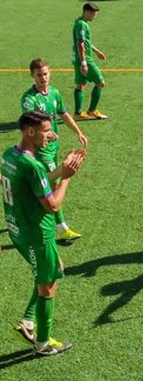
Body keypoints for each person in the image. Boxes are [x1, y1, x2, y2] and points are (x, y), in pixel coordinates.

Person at [2, 111, 87, 356]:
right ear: (31, 131)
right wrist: (67, 178)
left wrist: (60, 170)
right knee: (48, 285)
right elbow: (53, 205)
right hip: (37, 233)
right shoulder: (34, 165)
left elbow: (32, 184)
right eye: (46, 130)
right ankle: (42, 343)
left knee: (52, 269)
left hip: (16, 229)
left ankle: (28, 322)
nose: (51, 134)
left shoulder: (10, 155)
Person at [21, 58, 88, 242]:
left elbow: (64, 114)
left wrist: (78, 132)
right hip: (41, 150)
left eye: (45, 74)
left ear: (50, 73)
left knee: (46, 183)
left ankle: (30, 209)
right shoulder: (29, 99)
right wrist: (46, 133)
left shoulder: (55, 94)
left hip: (53, 148)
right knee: (54, 185)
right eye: (39, 75)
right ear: (32, 76)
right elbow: (30, 124)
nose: (43, 78)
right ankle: (61, 227)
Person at [72, 2, 109, 120]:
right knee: (100, 83)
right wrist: (84, 62)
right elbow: (80, 43)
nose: (95, 16)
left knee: (80, 85)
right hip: (85, 59)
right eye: (93, 14)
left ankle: (77, 114)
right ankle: (92, 111)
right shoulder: (82, 25)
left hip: (78, 58)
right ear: (87, 12)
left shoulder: (79, 22)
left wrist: (97, 51)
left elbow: (85, 42)